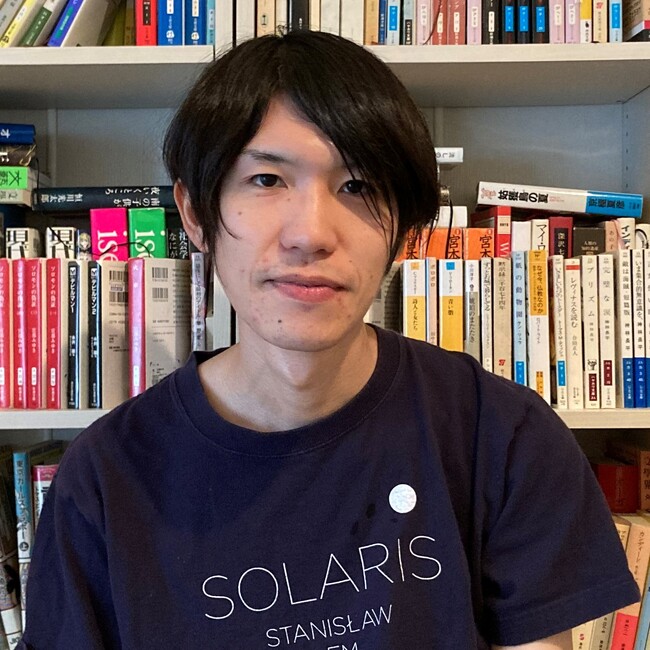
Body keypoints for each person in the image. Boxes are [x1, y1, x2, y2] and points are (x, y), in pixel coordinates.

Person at [20, 31, 637, 650]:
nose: (311, 234)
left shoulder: (501, 435)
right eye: (266, 179)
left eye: (359, 186)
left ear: (406, 231)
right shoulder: (104, 480)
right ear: (195, 213)